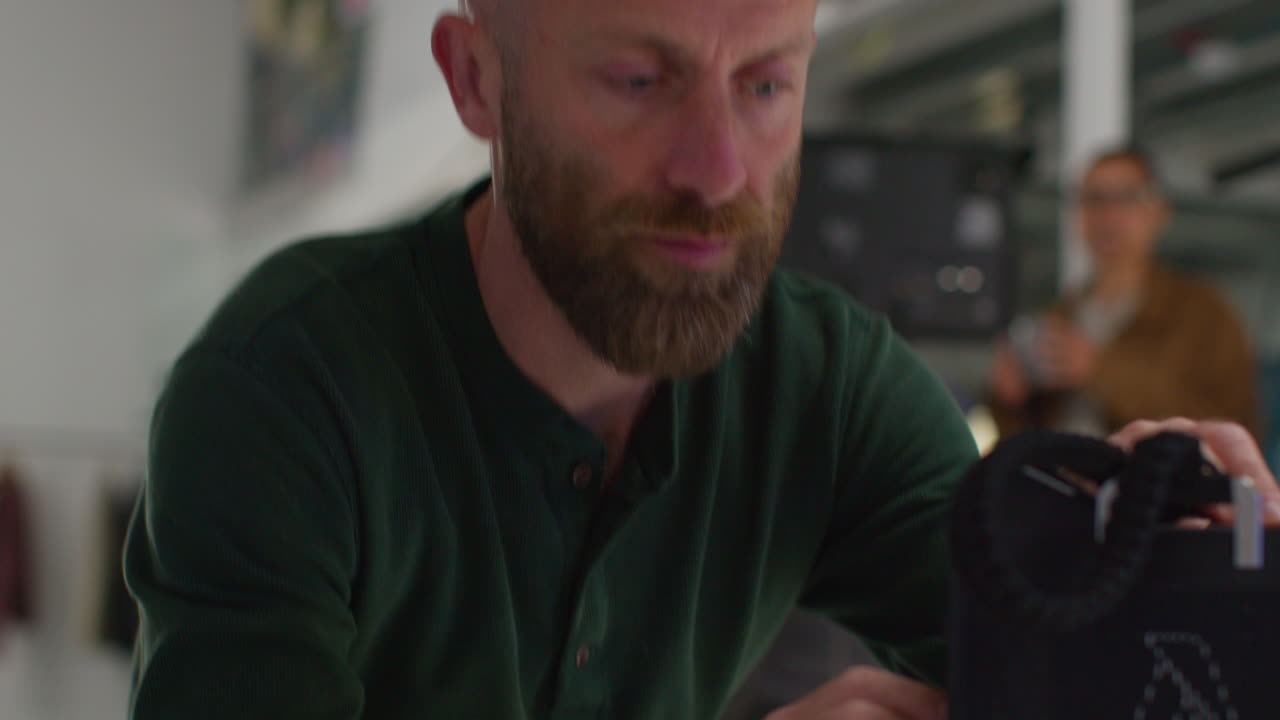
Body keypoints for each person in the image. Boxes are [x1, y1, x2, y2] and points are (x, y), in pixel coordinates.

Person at [123, 3, 1280, 719]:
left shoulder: (825, 386)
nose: (718, 170)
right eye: (638, 82)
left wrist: (1156, 584)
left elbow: (1053, 665)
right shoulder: (287, 390)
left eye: (764, 85)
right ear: (476, 79)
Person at [990, 146, 1262, 440]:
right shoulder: (1060, 316)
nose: (1108, 215)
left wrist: (1100, 372)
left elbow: (1228, 429)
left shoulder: (1204, 314)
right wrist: (1010, 401)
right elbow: (1028, 439)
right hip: (1068, 470)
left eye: (1126, 197)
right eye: (1094, 199)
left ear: (1160, 212)